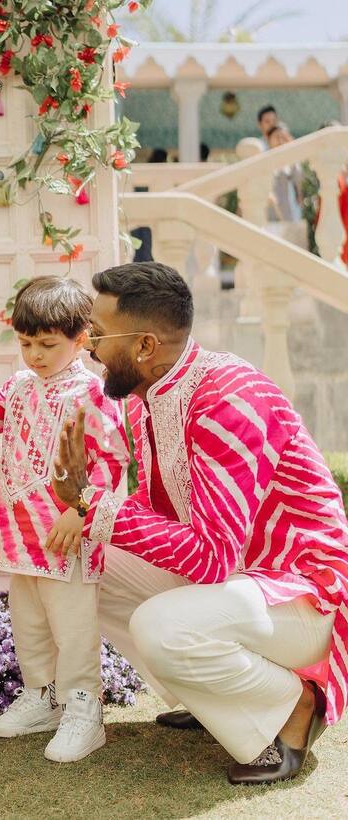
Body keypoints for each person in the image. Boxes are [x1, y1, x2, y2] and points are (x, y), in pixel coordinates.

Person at [45, 262, 348, 784]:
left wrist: (93, 502)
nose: (87, 347)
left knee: (159, 625)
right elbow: (162, 527)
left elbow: (211, 558)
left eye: (96, 333)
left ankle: (293, 707)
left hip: (303, 596)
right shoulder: (148, 399)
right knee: (90, 558)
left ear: (144, 346)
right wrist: (88, 512)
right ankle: (212, 699)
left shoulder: (228, 397)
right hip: (241, 589)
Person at [0, 277, 128, 762]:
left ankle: (83, 708)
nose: (34, 354)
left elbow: (113, 461)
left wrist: (81, 512)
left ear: (81, 340)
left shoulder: (94, 394)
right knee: (29, 623)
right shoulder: (16, 386)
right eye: (27, 342)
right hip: (18, 533)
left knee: (73, 629)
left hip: (66, 536)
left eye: (48, 344)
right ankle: (42, 697)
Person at [265, 124, 306, 247]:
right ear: (269, 139)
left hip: (291, 211)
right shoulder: (265, 160)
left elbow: (300, 181)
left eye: (284, 137)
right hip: (272, 213)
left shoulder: (293, 162)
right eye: (277, 137)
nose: (281, 140)